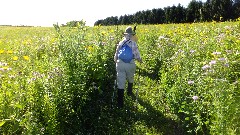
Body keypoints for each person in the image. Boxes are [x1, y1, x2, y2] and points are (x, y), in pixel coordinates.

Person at [114, 26, 142, 108]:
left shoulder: (121, 42)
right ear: (132, 35)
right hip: (130, 64)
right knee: (130, 77)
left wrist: (116, 60)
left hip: (120, 64)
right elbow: (137, 55)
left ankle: (120, 103)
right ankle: (129, 92)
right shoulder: (133, 43)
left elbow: (116, 54)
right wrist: (140, 60)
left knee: (120, 81)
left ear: (125, 34)